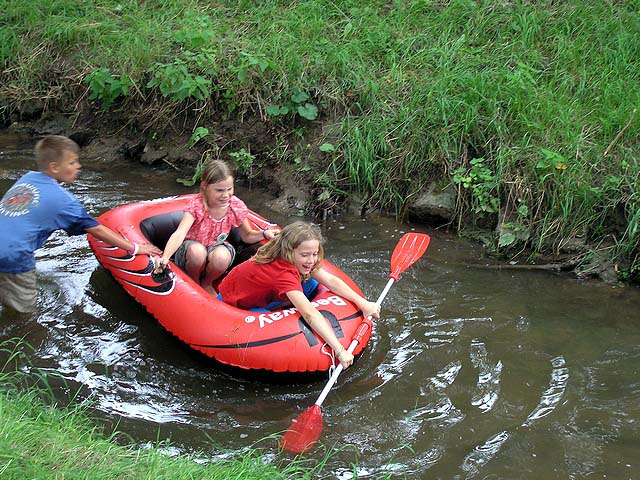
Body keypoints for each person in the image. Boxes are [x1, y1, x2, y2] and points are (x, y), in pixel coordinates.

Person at [0, 134, 162, 313]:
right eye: (72, 163)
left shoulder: (27, 179)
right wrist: (135, 248)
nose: (78, 167)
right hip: (14, 256)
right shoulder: (63, 200)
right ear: (54, 167)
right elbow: (97, 229)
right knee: (24, 314)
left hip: (6, 248)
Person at [218, 221, 381, 368]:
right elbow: (309, 314)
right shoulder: (283, 273)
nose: (311, 260)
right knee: (272, 325)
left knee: (311, 282)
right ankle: (285, 305)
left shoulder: (300, 261)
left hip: (264, 293)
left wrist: (364, 304)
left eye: (314, 253)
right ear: (289, 252)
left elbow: (331, 281)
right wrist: (339, 350)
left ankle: (287, 302)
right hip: (238, 304)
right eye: (304, 255)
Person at [153, 159, 278, 294]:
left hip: (217, 245)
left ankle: (207, 282)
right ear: (205, 187)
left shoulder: (235, 206)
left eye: (229, 189)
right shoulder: (196, 206)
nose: (225, 195)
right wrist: (165, 257)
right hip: (191, 248)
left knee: (222, 256)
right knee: (197, 252)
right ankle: (194, 281)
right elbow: (180, 233)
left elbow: (247, 235)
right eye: (219, 190)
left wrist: (265, 234)